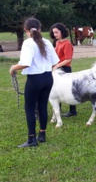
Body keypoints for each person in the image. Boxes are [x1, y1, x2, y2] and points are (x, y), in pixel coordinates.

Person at [9, 18, 59, 148]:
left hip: (35, 79)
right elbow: (55, 61)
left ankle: (31, 139)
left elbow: (25, 63)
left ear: (26, 30)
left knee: (30, 108)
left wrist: (13, 67)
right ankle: (42, 134)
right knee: (42, 105)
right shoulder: (47, 42)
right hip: (48, 78)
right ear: (40, 29)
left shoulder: (28, 43)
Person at [49, 23, 77, 117]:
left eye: (56, 32)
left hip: (65, 69)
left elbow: (68, 59)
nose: (55, 34)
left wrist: (57, 66)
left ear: (62, 32)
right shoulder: (57, 42)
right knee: (57, 89)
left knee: (68, 90)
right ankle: (58, 109)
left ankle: (73, 111)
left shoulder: (67, 44)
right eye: (54, 33)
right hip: (57, 68)